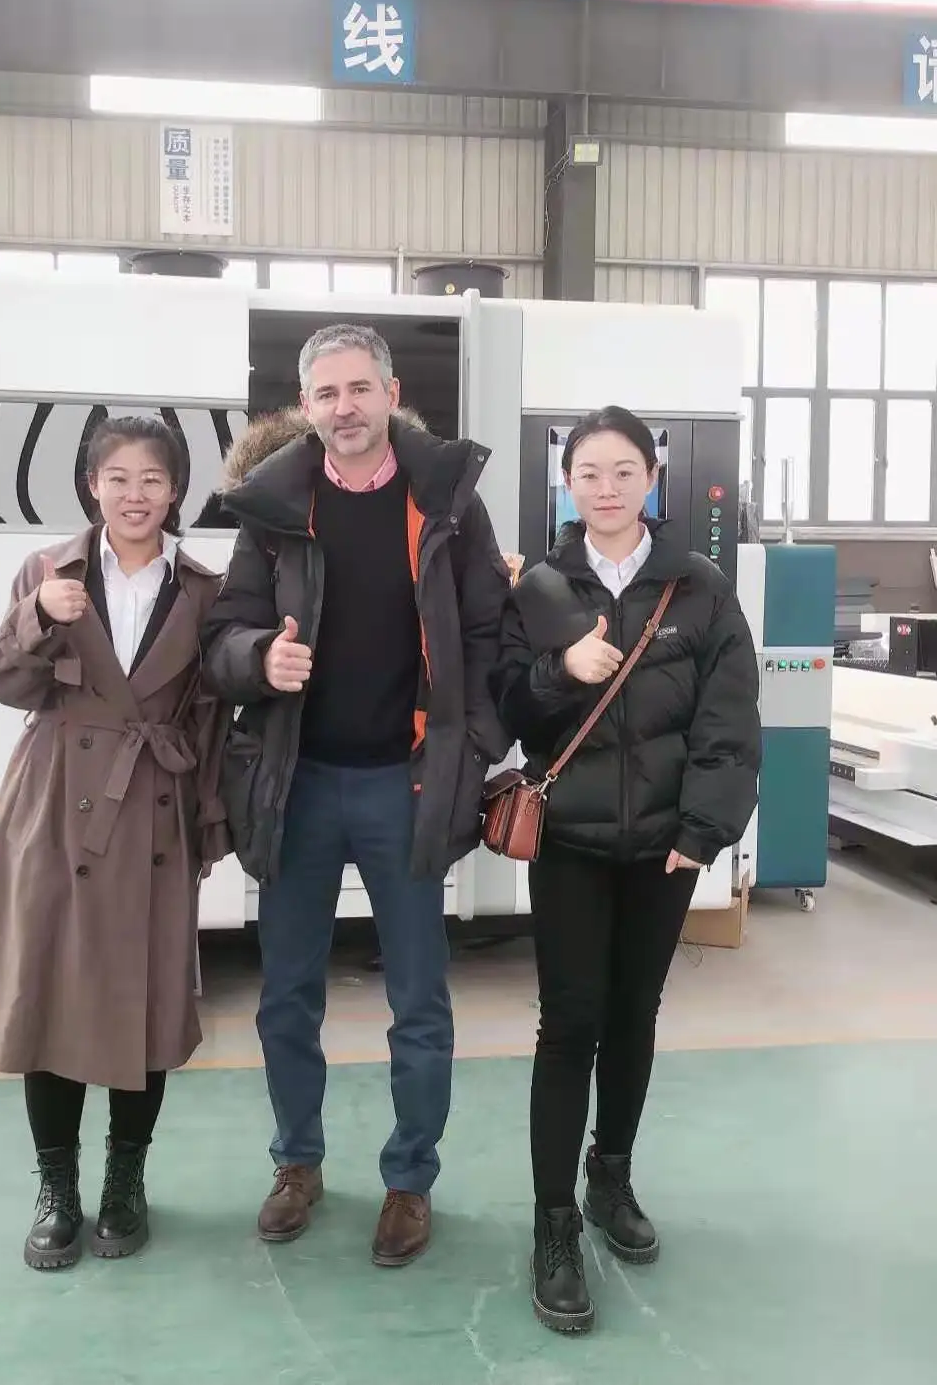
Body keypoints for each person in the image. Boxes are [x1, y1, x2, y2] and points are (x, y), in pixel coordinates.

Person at [201, 323, 511, 1267]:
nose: (344, 407)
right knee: (286, 996)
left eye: (359, 388)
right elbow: (224, 637)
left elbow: (490, 637)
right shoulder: (274, 510)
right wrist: (261, 657)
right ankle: (296, 1163)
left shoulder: (447, 502)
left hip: (404, 784)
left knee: (419, 1000)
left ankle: (409, 1179)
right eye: (326, 393)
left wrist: (471, 749)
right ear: (306, 406)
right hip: (297, 785)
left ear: (390, 393)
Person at [491, 405, 761, 1334]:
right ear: (566, 483)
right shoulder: (538, 588)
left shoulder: (699, 588)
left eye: (623, 471)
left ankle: (611, 1176)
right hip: (568, 841)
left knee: (634, 1015)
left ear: (653, 477)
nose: (605, 489)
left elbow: (730, 719)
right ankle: (553, 1225)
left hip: (662, 848)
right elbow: (509, 709)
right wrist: (560, 669)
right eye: (588, 473)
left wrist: (705, 826)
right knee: (569, 1025)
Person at [0, 415, 230, 1271]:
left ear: (176, 490)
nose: (134, 495)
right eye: (117, 477)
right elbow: (1, 680)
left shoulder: (204, 587)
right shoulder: (49, 571)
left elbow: (211, 715)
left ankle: (126, 1179)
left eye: (152, 479)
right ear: (92, 486)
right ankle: (57, 1187)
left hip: (153, 807)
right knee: (47, 994)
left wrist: (209, 820)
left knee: (143, 999)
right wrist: (36, 616)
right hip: (53, 807)